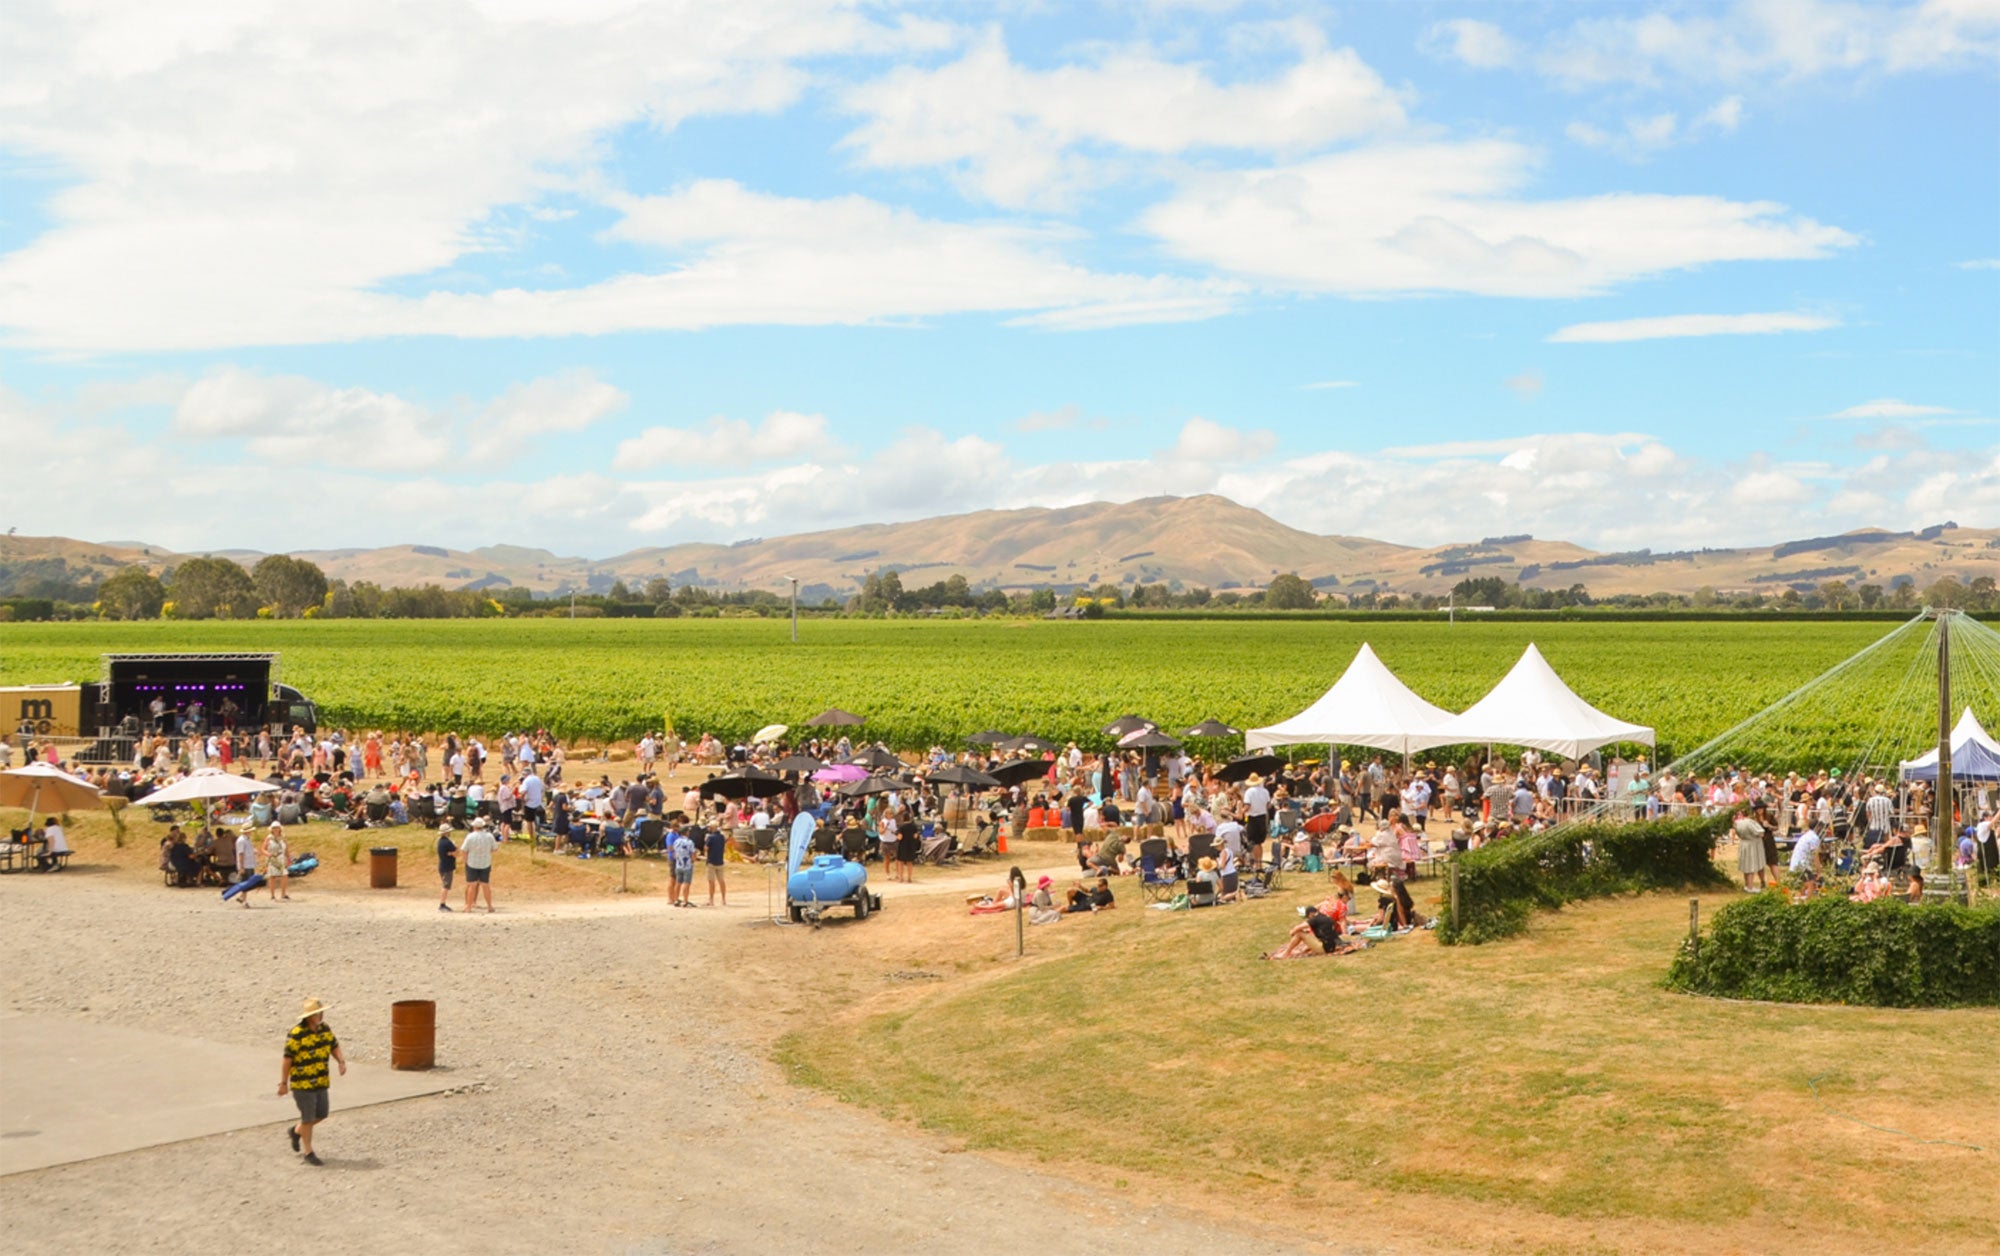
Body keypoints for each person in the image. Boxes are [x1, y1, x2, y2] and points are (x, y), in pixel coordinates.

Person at [279, 996, 346, 1166]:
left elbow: (334, 1045)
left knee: (321, 1114)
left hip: (321, 1081)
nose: (321, 1016)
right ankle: (309, 1152)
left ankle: (295, 1131)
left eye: (321, 1012)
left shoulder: (324, 1029)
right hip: (303, 1084)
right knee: (308, 1119)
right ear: (309, 1017)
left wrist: (341, 1062)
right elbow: (287, 1059)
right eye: (318, 1013)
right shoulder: (296, 1034)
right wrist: (283, 1083)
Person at [1264, 905, 1350, 960]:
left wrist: (1292, 932)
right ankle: (1291, 950)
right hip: (1332, 945)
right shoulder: (1325, 917)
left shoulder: (1314, 919)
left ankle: (1286, 953)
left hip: (1325, 948)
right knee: (1304, 934)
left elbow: (1298, 927)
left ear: (1311, 914)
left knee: (1299, 933)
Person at [462, 816, 496, 913]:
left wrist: (465, 860)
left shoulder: (470, 836)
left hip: (472, 862)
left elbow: (464, 850)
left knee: (471, 885)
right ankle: (489, 906)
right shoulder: (489, 836)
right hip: (485, 862)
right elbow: (495, 848)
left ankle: (468, 906)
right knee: (485, 885)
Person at [1734, 809, 1770, 891]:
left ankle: (1747, 885)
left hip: (1743, 844)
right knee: (1751, 865)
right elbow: (1760, 833)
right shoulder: (1749, 822)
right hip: (1752, 844)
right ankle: (1750, 887)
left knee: (1746, 865)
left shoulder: (1737, 823)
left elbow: (1738, 834)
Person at [263, 823, 290, 901]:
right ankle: (272, 895)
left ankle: (283, 894)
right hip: (272, 859)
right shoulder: (268, 838)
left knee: (285, 875)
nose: (276, 829)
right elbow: (263, 849)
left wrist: (288, 859)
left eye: (277, 828)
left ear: (280, 829)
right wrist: (269, 854)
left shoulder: (283, 837)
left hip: (281, 858)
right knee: (272, 877)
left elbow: (286, 849)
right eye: (274, 828)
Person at [670, 826, 696, 907]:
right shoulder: (689, 842)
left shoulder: (676, 841)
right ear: (686, 832)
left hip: (678, 864)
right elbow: (693, 854)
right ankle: (685, 900)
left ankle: (676, 899)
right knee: (686, 883)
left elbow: (674, 854)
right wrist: (693, 860)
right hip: (687, 865)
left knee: (678, 882)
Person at [435, 824, 458, 912]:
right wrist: (456, 849)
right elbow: (455, 853)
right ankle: (442, 904)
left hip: (442, 865)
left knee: (445, 884)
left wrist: (451, 853)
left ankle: (442, 903)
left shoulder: (440, 841)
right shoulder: (448, 842)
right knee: (446, 886)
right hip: (447, 866)